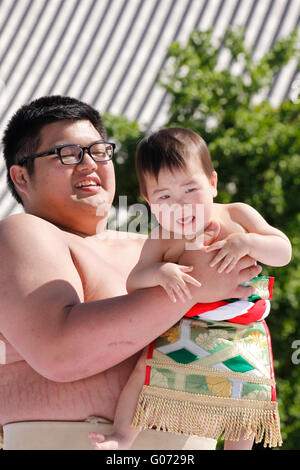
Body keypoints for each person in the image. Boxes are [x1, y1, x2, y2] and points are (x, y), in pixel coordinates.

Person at [0, 97, 264, 450]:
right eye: (67, 154)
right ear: (21, 175)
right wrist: (194, 287)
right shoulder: (22, 233)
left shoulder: (158, 247)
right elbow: (59, 353)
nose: (89, 164)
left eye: (99, 151)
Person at [89, 128, 291, 451]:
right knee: (145, 370)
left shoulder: (237, 215)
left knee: (247, 396)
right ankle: (122, 437)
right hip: (185, 325)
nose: (180, 206)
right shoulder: (163, 237)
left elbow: (283, 252)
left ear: (211, 183)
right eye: (164, 197)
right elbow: (134, 280)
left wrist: (249, 242)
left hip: (240, 327)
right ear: (149, 202)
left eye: (190, 190)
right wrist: (161, 271)